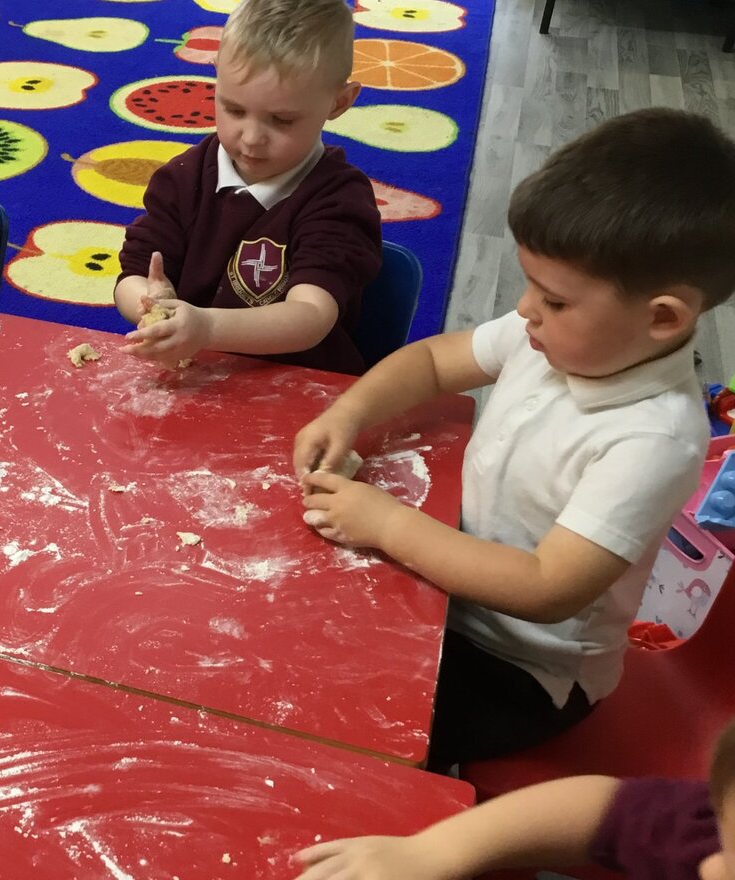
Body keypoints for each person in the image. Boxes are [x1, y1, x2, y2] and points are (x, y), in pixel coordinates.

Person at [294, 107, 735, 771]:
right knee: (301, 625)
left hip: (520, 671)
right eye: (529, 283)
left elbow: (545, 586)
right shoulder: (555, 341)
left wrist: (385, 524)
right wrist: (349, 412)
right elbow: (437, 362)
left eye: (554, 299)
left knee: (333, 730)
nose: (526, 308)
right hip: (449, 594)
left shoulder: (653, 437)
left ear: (663, 319)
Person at [114, 0, 380, 375]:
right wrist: (150, 302)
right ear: (216, 75)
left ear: (339, 102)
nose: (252, 138)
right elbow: (133, 276)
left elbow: (311, 315)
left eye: (282, 120)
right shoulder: (183, 177)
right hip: (190, 375)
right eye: (234, 110)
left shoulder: (340, 200)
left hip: (293, 387)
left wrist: (207, 328)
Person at [294, 719, 735, 880]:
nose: (708, 868)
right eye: (723, 841)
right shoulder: (704, 851)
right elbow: (609, 810)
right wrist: (431, 853)